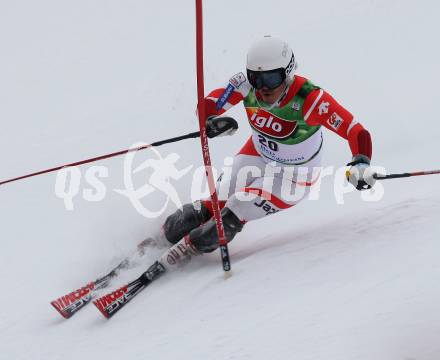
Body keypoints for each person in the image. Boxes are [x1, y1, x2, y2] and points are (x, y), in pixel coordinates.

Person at [156, 35, 376, 262]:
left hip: (294, 177)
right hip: (258, 155)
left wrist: (361, 161)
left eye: (271, 79)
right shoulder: (244, 84)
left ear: (287, 72)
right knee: (210, 205)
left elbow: (356, 131)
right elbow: (208, 104)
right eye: (256, 78)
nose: (262, 88)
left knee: (234, 211)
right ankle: (160, 237)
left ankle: (182, 254)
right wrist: (210, 120)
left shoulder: (310, 99)